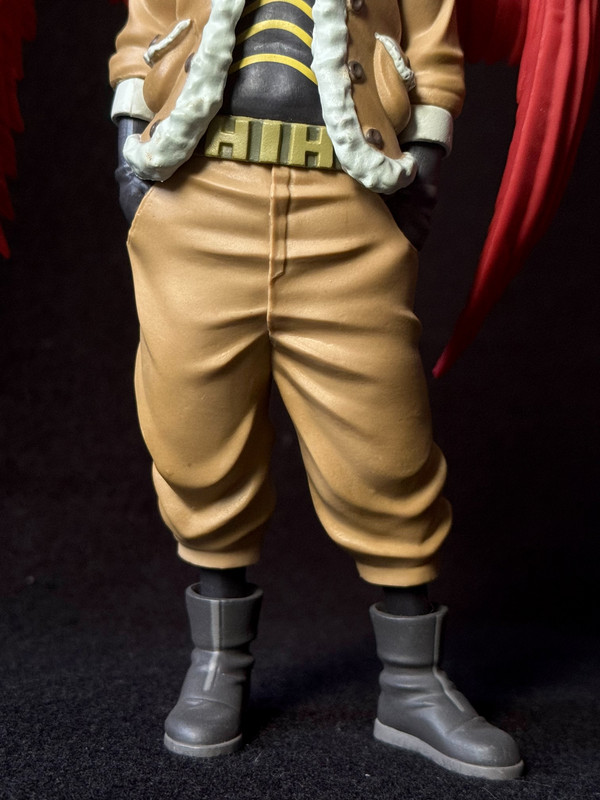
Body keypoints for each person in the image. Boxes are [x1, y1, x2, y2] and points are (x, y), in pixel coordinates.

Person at [109, 0, 523, 779]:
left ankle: (414, 682)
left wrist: (423, 168)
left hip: (347, 201)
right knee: (195, 434)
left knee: (385, 446)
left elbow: (434, 53)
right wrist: (130, 155)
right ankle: (217, 665)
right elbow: (144, 35)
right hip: (199, 193)